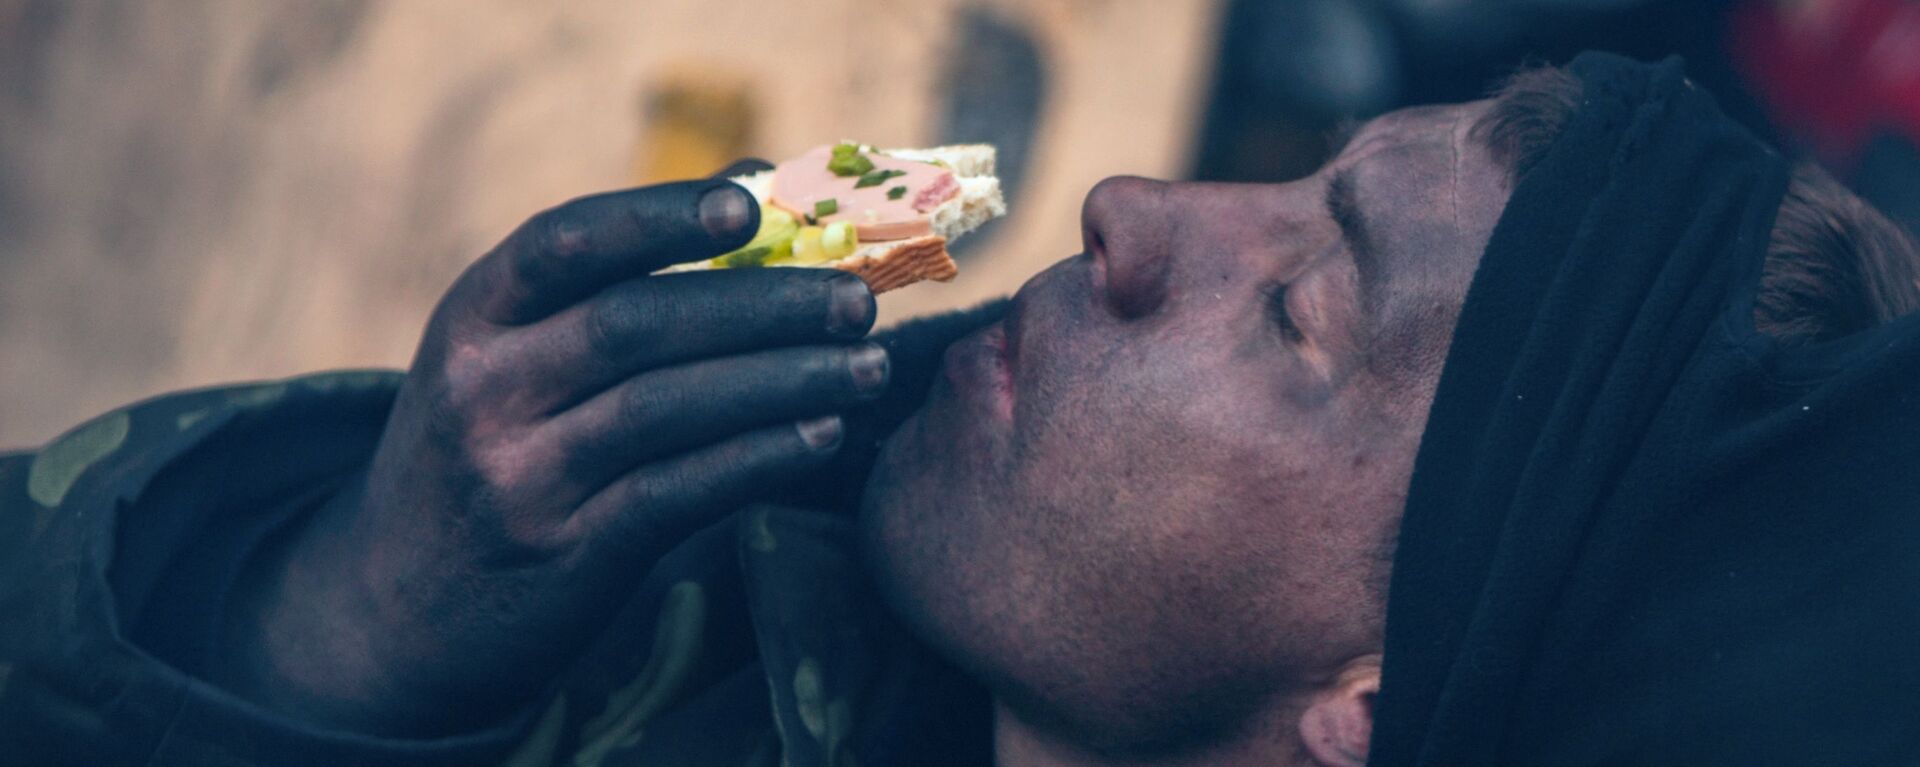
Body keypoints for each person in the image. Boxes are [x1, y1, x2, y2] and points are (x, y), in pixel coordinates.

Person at [3, 52, 1917, 766]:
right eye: (1288, 170)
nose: (1129, 210)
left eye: (1300, 302)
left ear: (1381, 697)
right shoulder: (682, 583)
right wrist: (319, 625)